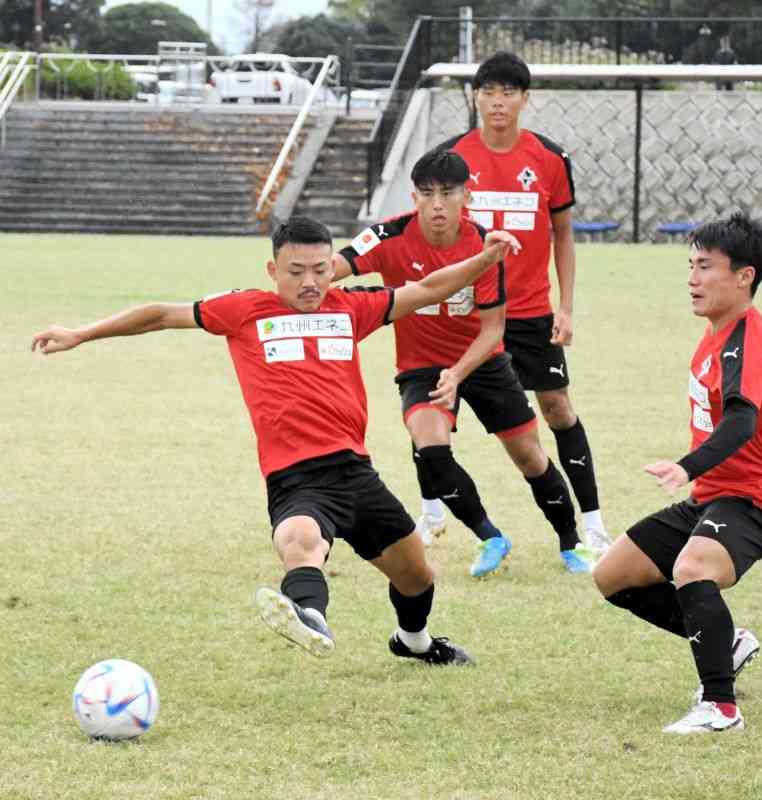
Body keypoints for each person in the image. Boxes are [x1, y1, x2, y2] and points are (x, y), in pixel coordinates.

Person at [31, 216, 519, 665]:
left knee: (418, 576)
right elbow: (160, 314)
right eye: (295, 271)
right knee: (300, 539)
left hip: (356, 471)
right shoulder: (242, 310)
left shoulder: (353, 307)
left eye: (320, 270)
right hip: (296, 475)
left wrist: (484, 259)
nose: (310, 282)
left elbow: (428, 287)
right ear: (273, 269)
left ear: (333, 268)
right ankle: (309, 614)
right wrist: (80, 333)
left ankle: (414, 642)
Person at [334, 148, 586, 577]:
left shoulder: (484, 245)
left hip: (483, 362)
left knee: (530, 457)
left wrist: (458, 373)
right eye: (426, 194)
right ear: (413, 197)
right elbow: (335, 267)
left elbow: (493, 330)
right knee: (430, 449)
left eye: (447, 193)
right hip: (421, 367)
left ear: (466, 197)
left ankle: (572, 544)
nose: (437, 204)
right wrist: (305, 278)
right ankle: (490, 537)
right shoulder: (387, 236)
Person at [592, 213, 762, 734]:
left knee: (693, 568)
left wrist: (686, 466)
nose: (693, 279)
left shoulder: (741, 340)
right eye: (691, 266)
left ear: (744, 276)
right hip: (713, 497)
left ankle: (720, 707)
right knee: (613, 576)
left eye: (706, 266)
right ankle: (727, 642)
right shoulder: (732, 331)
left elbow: (743, 419)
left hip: (754, 504)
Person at [432, 50, 611, 561]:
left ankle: (594, 525)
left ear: (525, 99)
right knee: (437, 409)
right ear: (475, 97)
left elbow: (563, 234)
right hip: (470, 311)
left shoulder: (550, 159)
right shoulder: (453, 158)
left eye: (508, 92)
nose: (497, 102)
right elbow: (436, 230)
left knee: (557, 409)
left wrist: (567, 306)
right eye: (488, 92)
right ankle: (432, 516)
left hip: (530, 312)